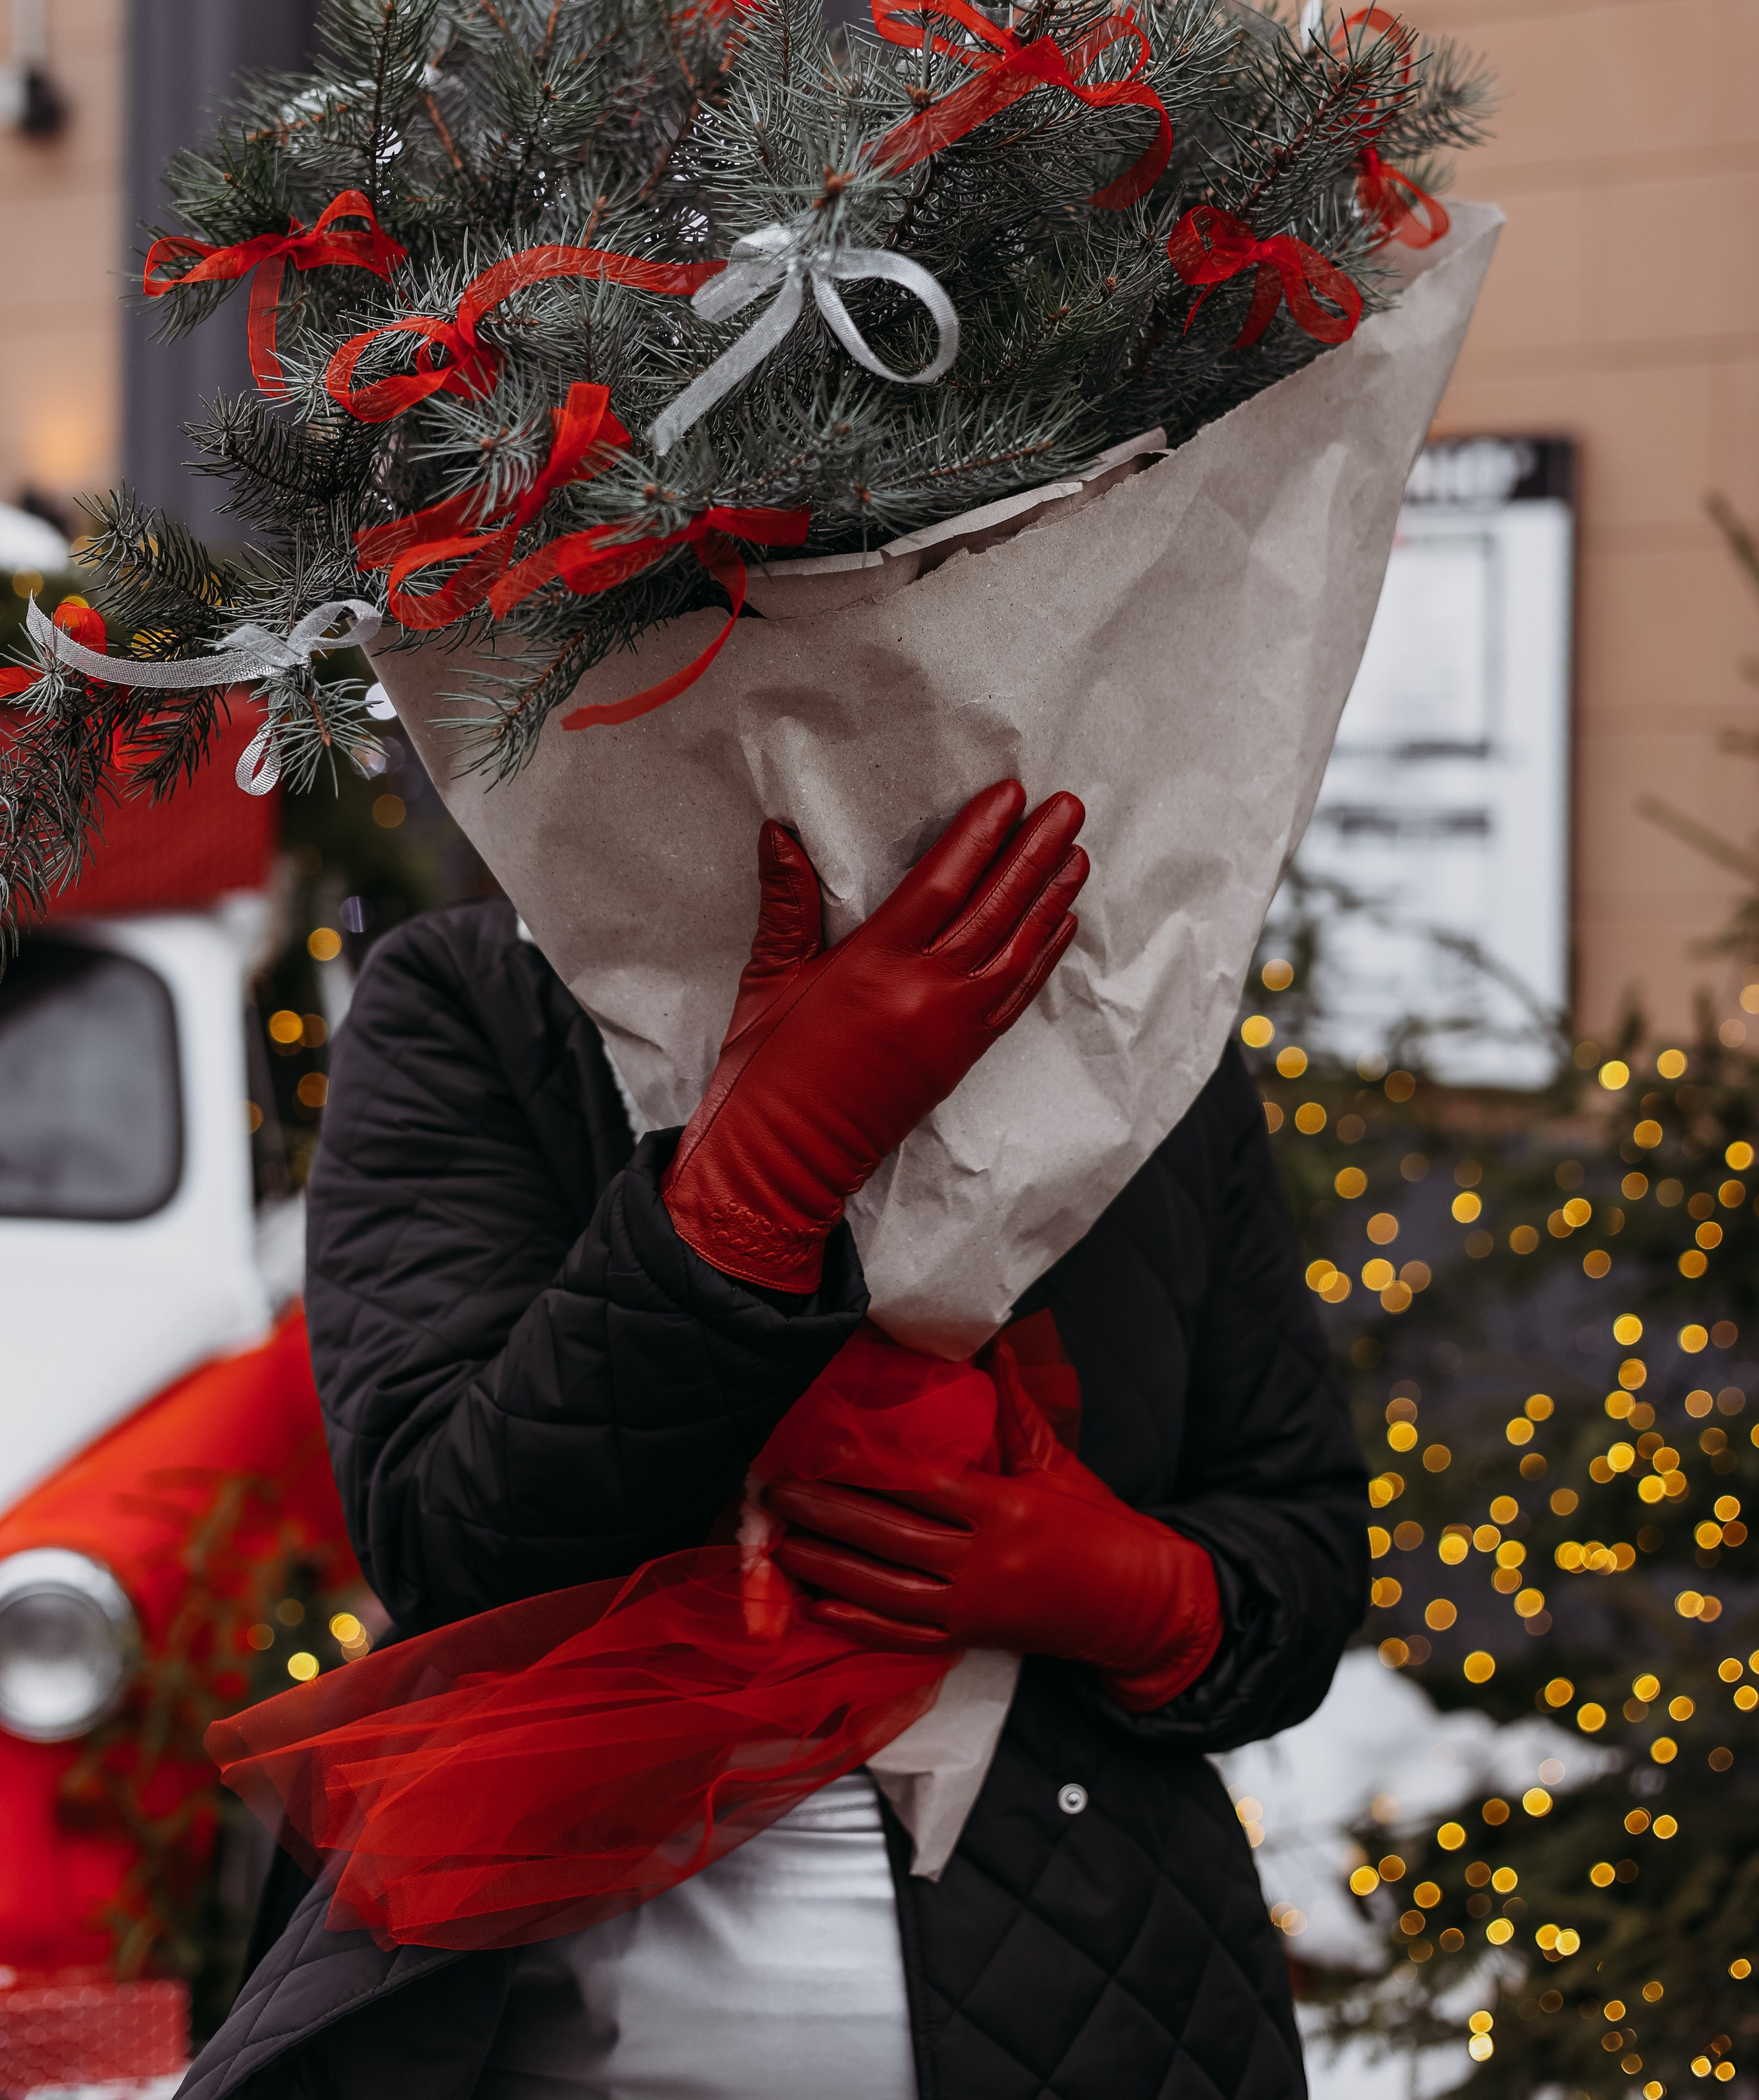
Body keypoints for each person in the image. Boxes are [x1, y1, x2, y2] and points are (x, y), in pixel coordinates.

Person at [183, 782, 1365, 2099]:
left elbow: (1300, 1531)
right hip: (559, 2017)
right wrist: (751, 1185)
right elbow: (451, 1543)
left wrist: (1149, 1598)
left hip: (1114, 1998)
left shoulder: (1139, 1013)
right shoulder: (478, 1005)